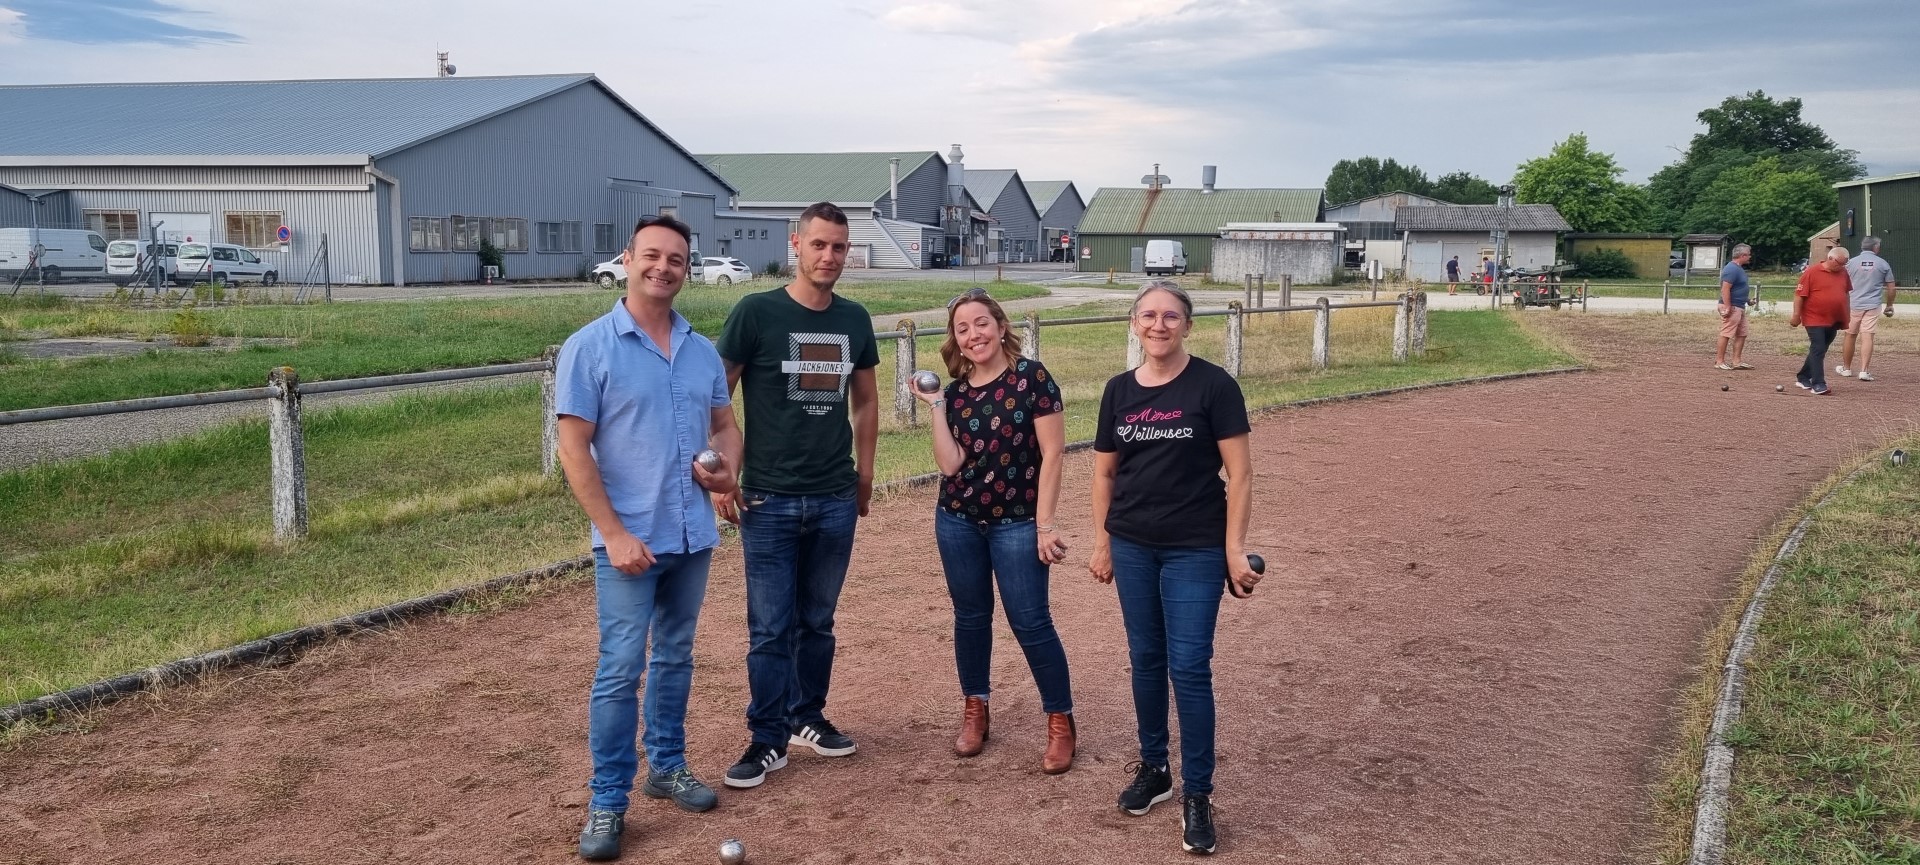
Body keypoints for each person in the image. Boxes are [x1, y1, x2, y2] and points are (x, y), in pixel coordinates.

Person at [554, 215, 743, 861]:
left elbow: (725, 424)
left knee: (676, 656)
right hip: (628, 543)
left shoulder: (699, 349)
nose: (664, 268)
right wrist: (612, 532)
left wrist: (725, 471)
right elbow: (573, 447)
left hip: (691, 534)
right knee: (619, 670)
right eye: (653, 256)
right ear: (628, 258)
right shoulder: (590, 347)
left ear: (688, 269)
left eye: (677, 260)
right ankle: (608, 799)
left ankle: (667, 765)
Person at [1089, 280, 1261, 856]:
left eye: (1170, 316)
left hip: (1194, 547)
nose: (1158, 325)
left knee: (1188, 666)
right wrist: (1103, 540)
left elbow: (1239, 475)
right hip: (1134, 543)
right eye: (1147, 316)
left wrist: (1234, 549)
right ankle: (1155, 768)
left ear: (1188, 324)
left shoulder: (1213, 386)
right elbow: (1105, 474)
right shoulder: (1118, 391)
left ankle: (1198, 792)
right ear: (1134, 324)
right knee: (1146, 658)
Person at [713, 202, 880, 789]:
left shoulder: (855, 320)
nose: (830, 257)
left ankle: (808, 717)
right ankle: (766, 737)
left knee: (819, 620)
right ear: (796, 245)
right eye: (819, 245)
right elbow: (717, 398)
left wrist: (863, 476)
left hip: (834, 496)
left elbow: (864, 401)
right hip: (768, 498)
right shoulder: (756, 313)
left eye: (840, 247)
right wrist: (721, 474)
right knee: (769, 626)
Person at [911, 287, 1076, 773]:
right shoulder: (958, 393)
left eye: (981, 323)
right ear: (956, 341)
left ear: (1001, 327)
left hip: (1017, 523)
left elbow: (1053, 455)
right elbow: (950, 464)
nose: (973, 335)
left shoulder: (1032, 379)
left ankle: (1060, 721)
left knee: (1030, 621)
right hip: (958, 519)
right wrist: (937, 405)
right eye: (962, 329)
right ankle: (976, 709)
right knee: (970, 616)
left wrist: (1045, 524)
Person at [1791, 246, 1851, 396]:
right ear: (1830, 258)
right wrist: (1796, 315)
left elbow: (1845, 293)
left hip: (1834, 318)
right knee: (1818, 347)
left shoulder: (1843, 272)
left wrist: (1846, 314)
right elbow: (1799, 295)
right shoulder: (1812, 272)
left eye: (1844, 264)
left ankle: (1803, 376)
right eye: (1839, 263)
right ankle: (1818, 383)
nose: (1842, 266)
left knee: (1821, 348)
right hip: (1814, 317)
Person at [1837, 236, 1897, 382]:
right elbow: (1891, 287)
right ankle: (1864, 371)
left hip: (1853, 304)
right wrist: (1889, 305)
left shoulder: (1850, 263)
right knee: (1868, 336)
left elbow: (1841, 284)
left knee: (1850, 334)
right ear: (1876, 247)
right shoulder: (1882, 263)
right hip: (1872, 304)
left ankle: (1846, 368)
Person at [1714, 244, 1755, 370]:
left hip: (1739, 305)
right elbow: (1725, 288)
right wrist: (1728, 306)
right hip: (1732, 307)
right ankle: (1719, 361)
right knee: (1726, 333)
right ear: (1742, 255)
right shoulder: (1731, 269)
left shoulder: (1739, 269)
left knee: (1742, 333)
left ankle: (1737, 361)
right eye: (1748, 254)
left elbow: (1738, 289)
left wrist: (1748, 300)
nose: (1750, 257)